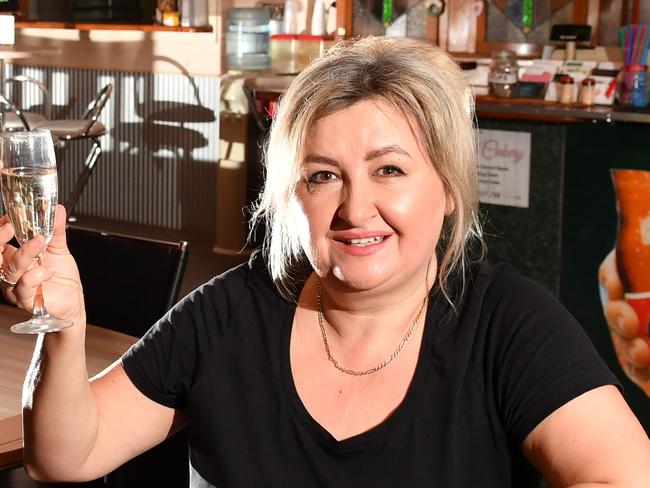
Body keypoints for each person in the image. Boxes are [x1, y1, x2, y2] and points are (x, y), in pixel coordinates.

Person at [1, 36, 649, 487]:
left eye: (389, 169)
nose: (355, 207)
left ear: (448, 188)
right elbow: (66, 457)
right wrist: (63, 330)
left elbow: (622, 473)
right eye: (322, 176)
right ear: (290, 196)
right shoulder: (229, 312)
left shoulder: (507, 323)